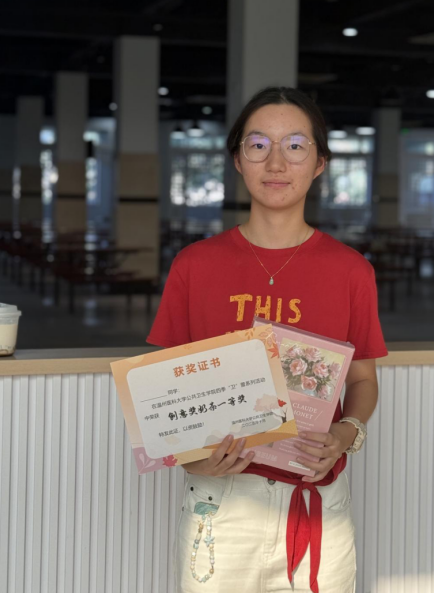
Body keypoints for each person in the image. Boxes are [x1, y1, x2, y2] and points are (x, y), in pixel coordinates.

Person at [147, 87, 388, 593]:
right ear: (238, 159)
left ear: (320, 164)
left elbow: (363, 380)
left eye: (295, 146)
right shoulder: (195, 265)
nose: (276, 162)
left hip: (316, 503)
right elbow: (166, 395)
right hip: (219, 503)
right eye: (258, 145)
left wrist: (346, 434)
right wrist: (191, 455)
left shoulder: (351, 271)